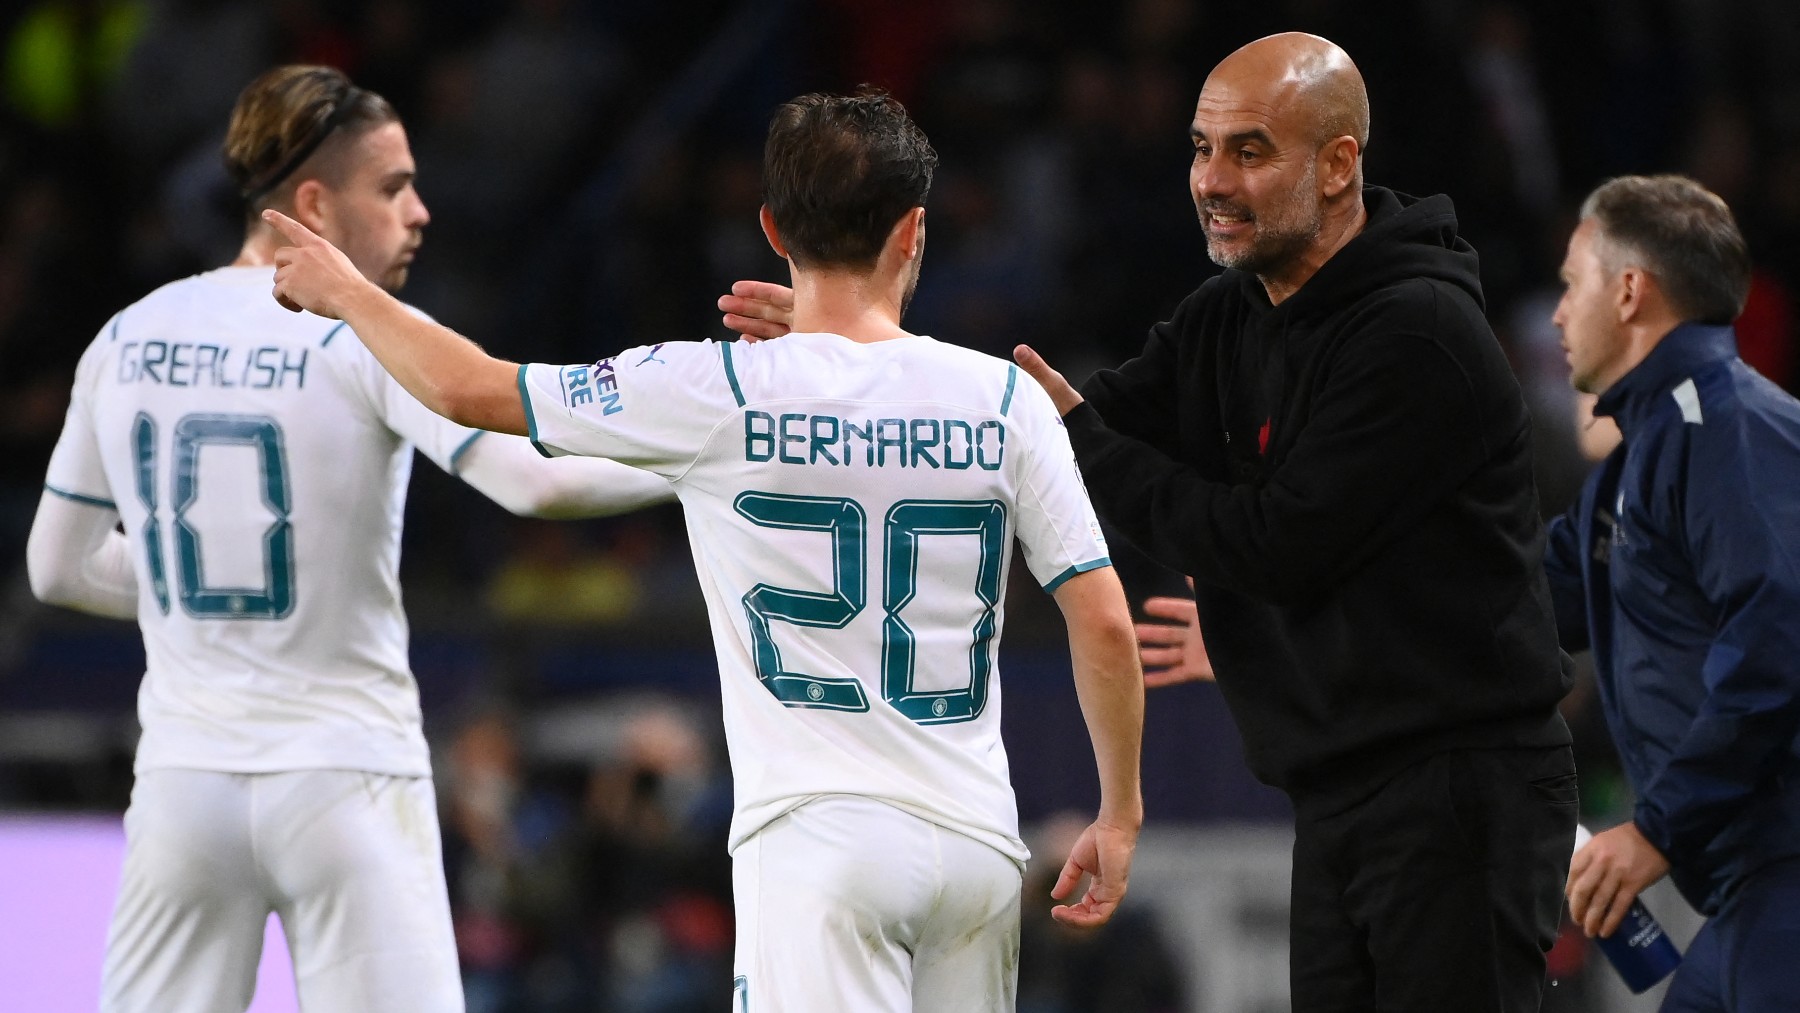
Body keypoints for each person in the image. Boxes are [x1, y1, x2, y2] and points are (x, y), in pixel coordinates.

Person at [722, 31, 1575, 1012]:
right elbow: (1038, 429)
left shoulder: (1421, 335)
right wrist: (863, 345)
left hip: (1461, 792)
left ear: (1339, 165)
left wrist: (1079, 435)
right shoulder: (1231, 315)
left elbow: (1269, 543)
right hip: (1346, 789)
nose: (1211, 179)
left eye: (1248, 151)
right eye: (1201, 149)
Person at [263, 88, 1146, 1013]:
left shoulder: (712, 388)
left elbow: (471, 390)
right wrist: (1119, 812)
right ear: (913, 230)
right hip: (975, 844)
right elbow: (1105, 624)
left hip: (818, 846)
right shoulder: (1006, 400)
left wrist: (345, 292)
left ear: (770, 227)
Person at [25, 65, 673, 1012]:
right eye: (394, 185)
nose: (419, 212)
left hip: (183, 788)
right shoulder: (366, 333)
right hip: (346, 780)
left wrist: (193, 588)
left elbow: (58, 565)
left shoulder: (127, 335)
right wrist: (708, 450)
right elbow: (540, 480)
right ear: (316, 204)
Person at [1548, 174, 1800, 1011]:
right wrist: (1285, 624)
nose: (1556, 313)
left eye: (1570, 284)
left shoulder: (1729, 428)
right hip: (1748, 896)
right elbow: (1502, 607)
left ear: (1629, 291)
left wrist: (1659, 826)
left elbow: (1776, 644)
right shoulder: (1642, 457)